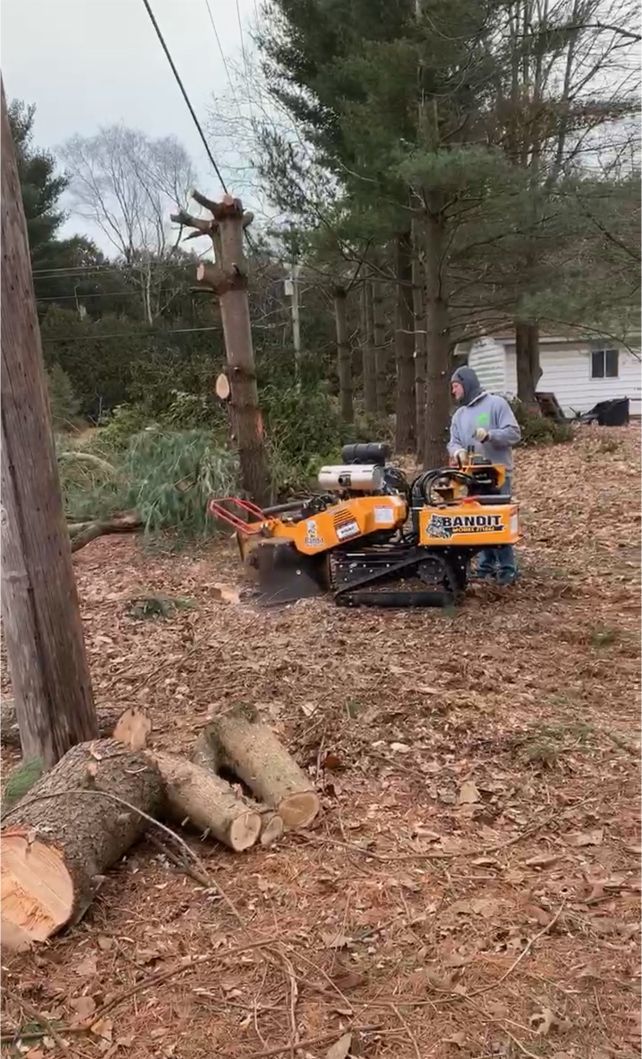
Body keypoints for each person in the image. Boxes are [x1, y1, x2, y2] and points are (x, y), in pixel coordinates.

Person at [447, 365, 521, 585]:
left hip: (497, 475)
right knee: (479, 522)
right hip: (471, 476)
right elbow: (453, 441)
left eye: (456, 386)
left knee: (498, 521)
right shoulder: (459, 415)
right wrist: (457, 451)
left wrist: (490, 435)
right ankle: (485, 566)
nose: (453, 391)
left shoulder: (496, 404)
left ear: (467, 384)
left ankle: (507, 569)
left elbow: (514, 433)